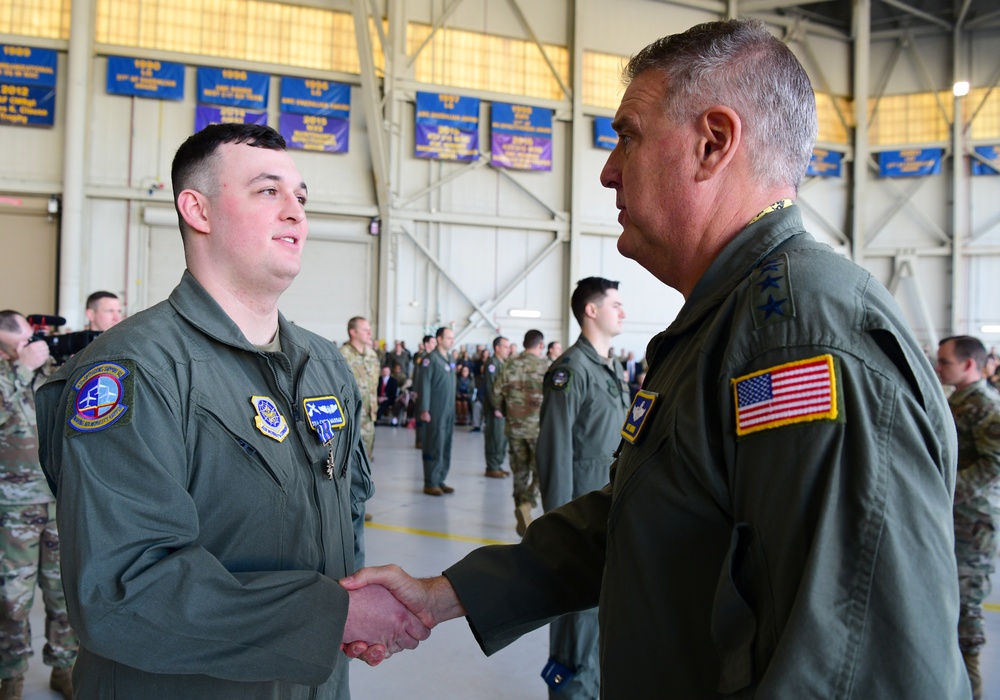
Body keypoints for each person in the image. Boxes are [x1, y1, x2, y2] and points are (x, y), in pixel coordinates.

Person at [342, 19, 968, 698]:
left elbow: (853, 660)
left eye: (629, 135)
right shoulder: (733, 321)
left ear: (712, 143)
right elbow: (641, 521)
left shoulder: (798, 341)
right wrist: (444, 594)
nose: (609, 169)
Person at [34, 124, 428, 699]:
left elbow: (344, 521)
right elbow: (121, 590)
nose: (295, 212)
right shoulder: (134, 371)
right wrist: (332, 618)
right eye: (268, 192)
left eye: (301, 197)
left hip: (310, 681)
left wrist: (341, 621)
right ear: (197, 210)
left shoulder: (324, 365)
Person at [533, 277, 629, 698]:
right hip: (580, 524)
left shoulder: (611, 368)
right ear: (591, 310)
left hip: (611, 517)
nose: (622, 312)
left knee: (602, 626)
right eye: (615, 304)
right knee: (577, 627)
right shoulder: (569, 372)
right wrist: (561, 533)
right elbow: (554, 456)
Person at [0, 310, 76, 700]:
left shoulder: (47, 369)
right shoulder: (10, 375)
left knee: (63, 592)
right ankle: (10, 677)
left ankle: (64, 667)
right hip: (13, 510)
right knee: (13, 599)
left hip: (56, 502)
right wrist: (19, 372)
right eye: (26, 337)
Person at [936, 335, 1000, 699]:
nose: (939, 367)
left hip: (973, 524)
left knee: (966, 613)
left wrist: (944, 491)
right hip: (954, 520)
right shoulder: (959, 402)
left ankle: (972, 691)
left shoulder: (986, 406)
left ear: (970, 364)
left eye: (945, 362)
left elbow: (996, 464)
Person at [492, 329, 548, 536]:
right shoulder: (545, 367)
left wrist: (508, 412)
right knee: (541, 469)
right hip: (537, 429)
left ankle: (522, 509)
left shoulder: (509, 364)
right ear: (540, 345)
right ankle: (527, 505)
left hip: (514, 427)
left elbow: (496, 394)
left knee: (519, 470)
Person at [418, 326, 457, 496]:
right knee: (434, 444)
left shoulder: (449, 358)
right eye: (449, 338)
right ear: (439, 339)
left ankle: (440, 478)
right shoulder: (430, 359)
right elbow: (424, 385)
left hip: (448, 410)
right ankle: (430, 481)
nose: (452, 341)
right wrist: (424, 409)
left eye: (452, 338)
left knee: (445, 444)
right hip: (435, 410)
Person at [341, 316, 380, 458]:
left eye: (369, 330)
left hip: (369, 415)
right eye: (365, 330)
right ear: (353, 332)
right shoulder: (342, 355)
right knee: (350, 459)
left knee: (367, 458)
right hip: (350, 416)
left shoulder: (372, 355)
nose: (369, 333)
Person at [480, 336, 511, 478]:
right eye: (505, 347)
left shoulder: (503, 363)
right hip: (495, 410)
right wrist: (496, 408)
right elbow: (491, 388)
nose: (508, 350)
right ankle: (492, 466)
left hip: (504, 409)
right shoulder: (492, 364)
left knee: (501, 438)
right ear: (497, 348)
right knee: (494, 437)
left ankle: (497, 464)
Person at [411, 335, 436, 449]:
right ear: (426, 344)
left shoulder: (434, 357)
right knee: (420, 415)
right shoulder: (422, 357)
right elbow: (417, 374)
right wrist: (415, 390)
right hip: (421, 390)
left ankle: (428, 439)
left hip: (431, 391)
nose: (434, 344)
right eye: (432, 342)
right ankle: (420, 440)